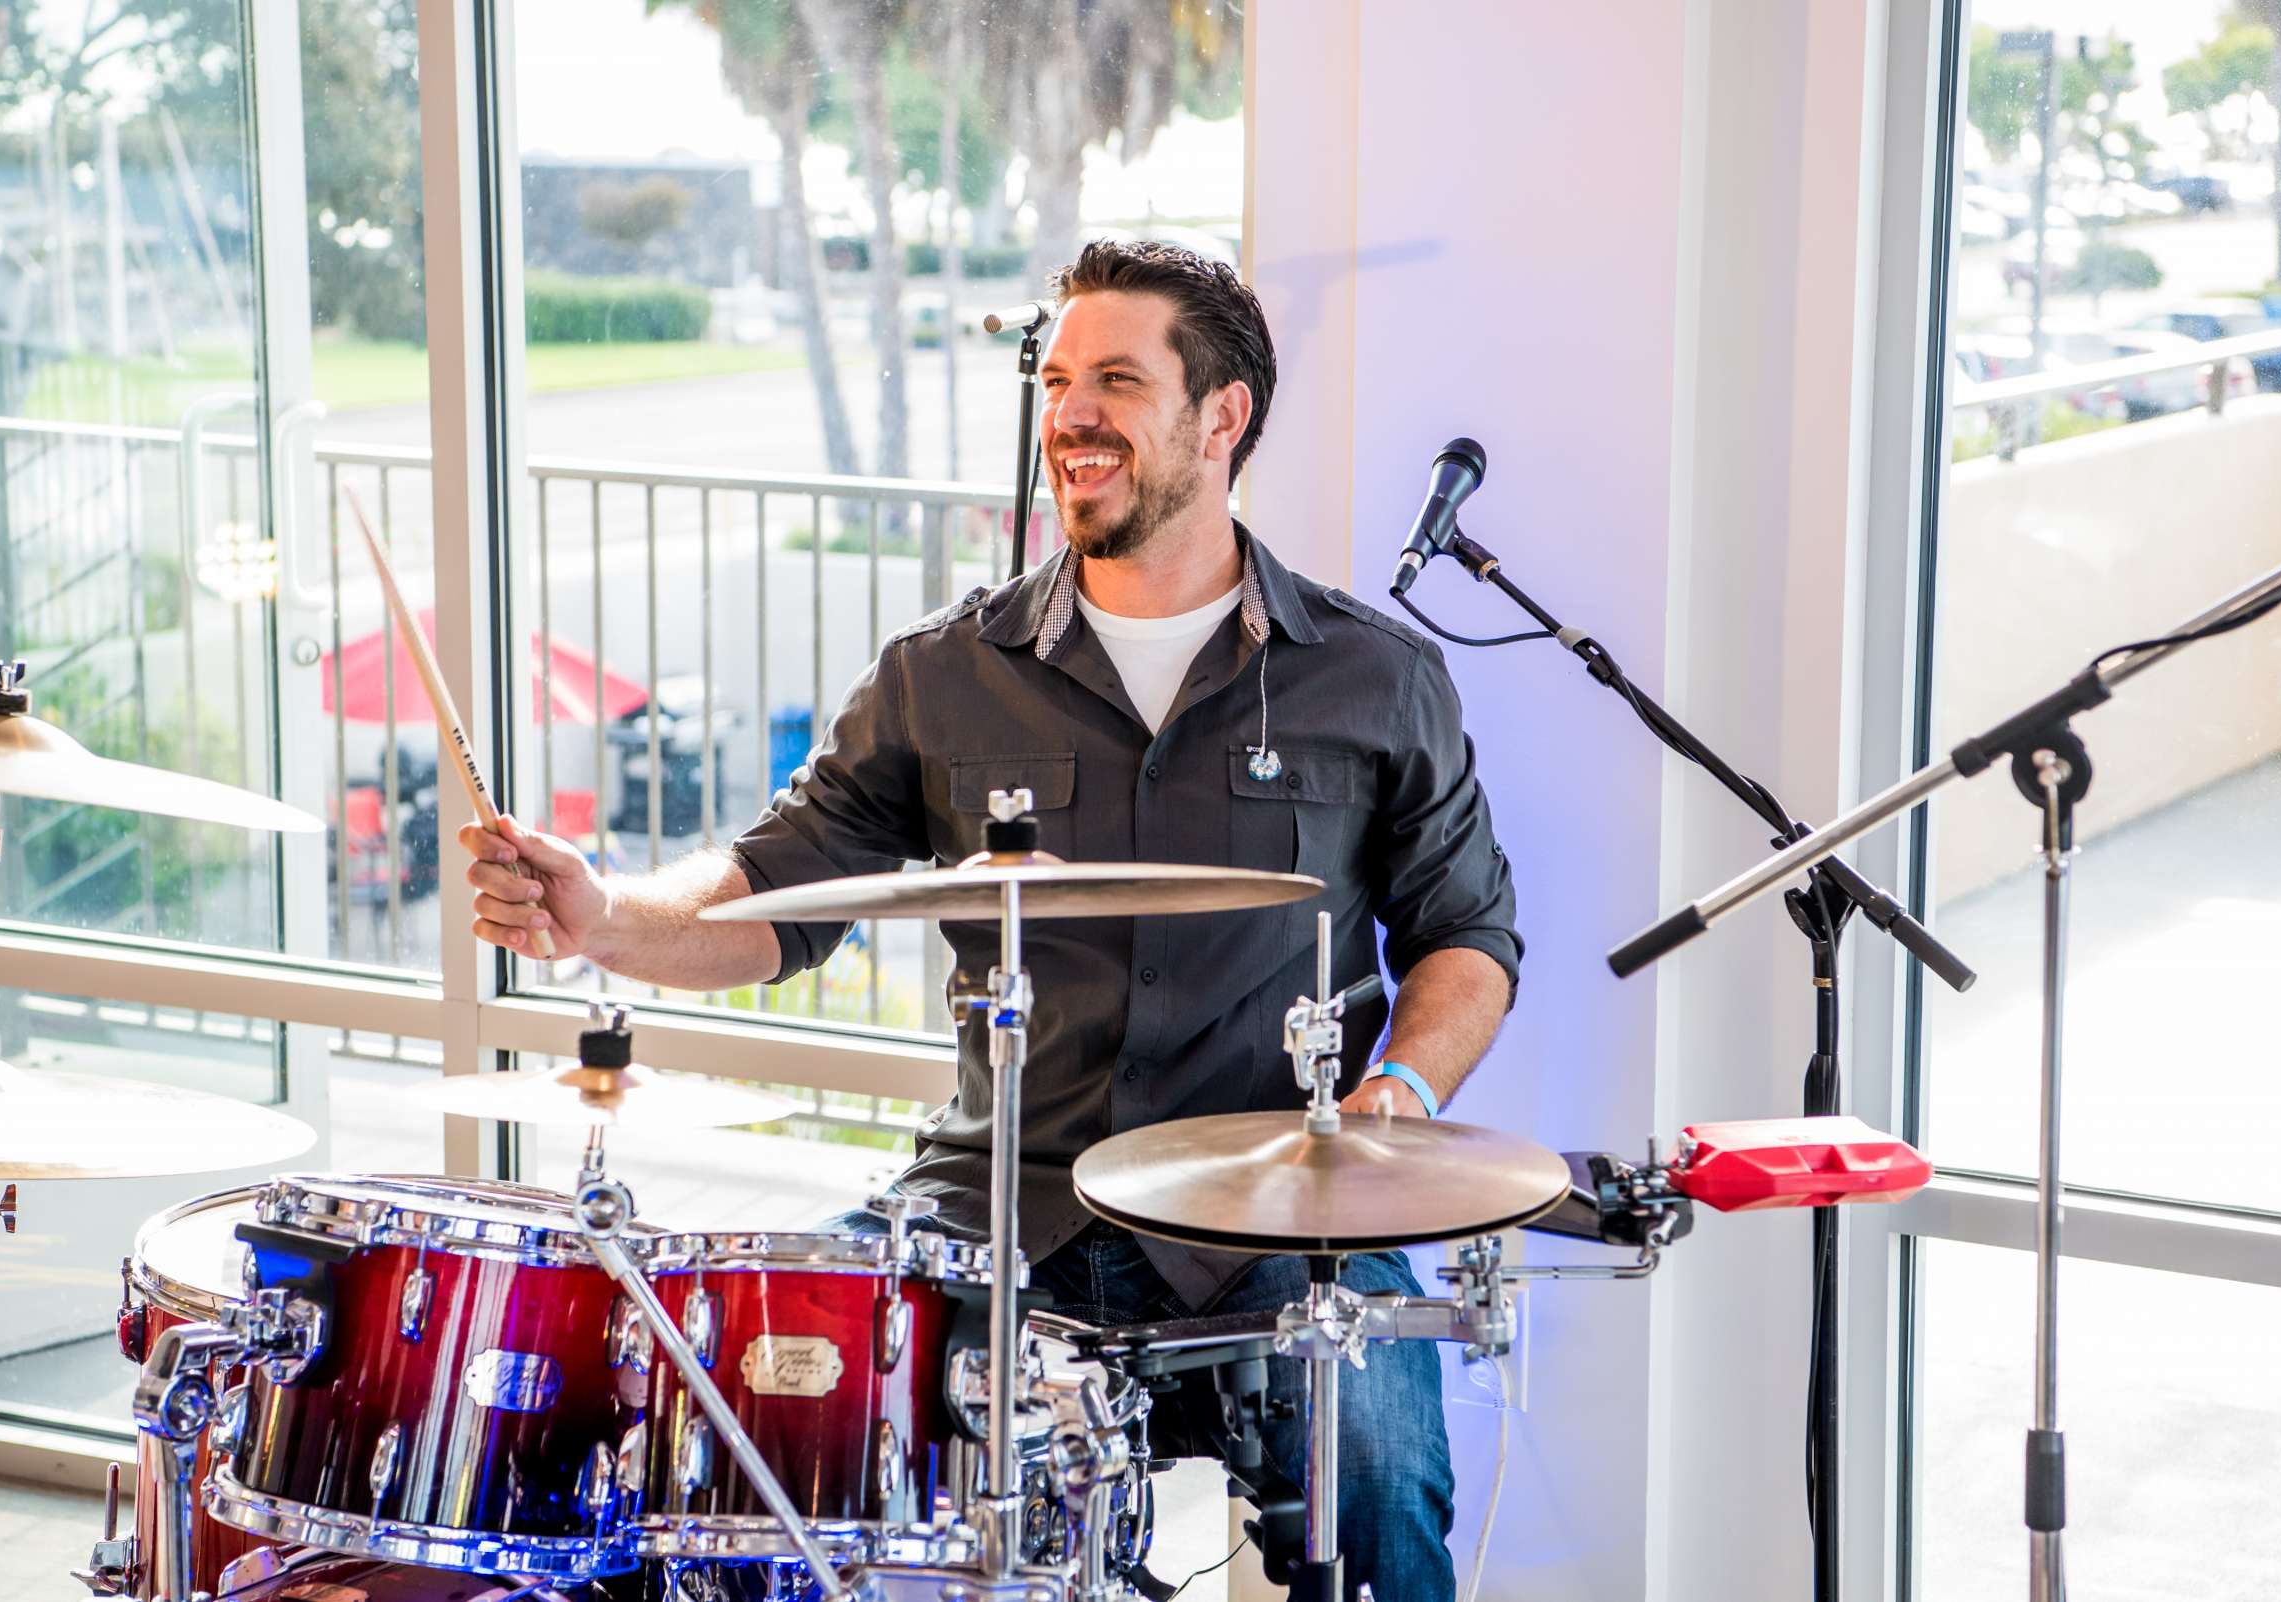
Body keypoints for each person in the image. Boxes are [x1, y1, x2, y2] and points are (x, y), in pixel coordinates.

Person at [459, 239, 1521, 1602]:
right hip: (1003, 1209)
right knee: (777, 1421)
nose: (1070, 415)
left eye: (1118, 381)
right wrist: (602, 913)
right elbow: (775, 890)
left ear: (1223, 417)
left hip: (1286, 1217)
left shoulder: (1376, 679)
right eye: (1060, 378)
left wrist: (1398, 1093)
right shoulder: (941, 677)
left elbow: (1469, 938)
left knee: (1379, 1490)